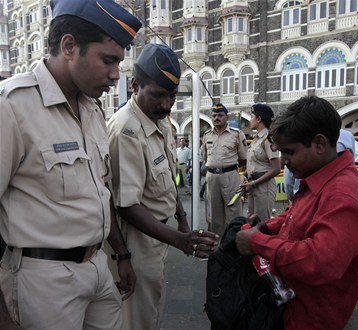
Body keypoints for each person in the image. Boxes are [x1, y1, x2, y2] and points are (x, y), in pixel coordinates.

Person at [0, 1, 142, 329]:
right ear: (69, 46)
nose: (115, 75)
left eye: (119, 63)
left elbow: (100, 193)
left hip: (97, 268)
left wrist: (120, 255)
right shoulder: (13, 107)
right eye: (108, 60)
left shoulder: (92, 109)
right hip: (44, 282)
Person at [236, 96, 358, 330]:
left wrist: (257, 242)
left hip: (312, 318)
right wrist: (268, 227)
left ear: (319, 144)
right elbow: (295, 213)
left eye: (289, 152)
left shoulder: (343, 195)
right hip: (293, 306)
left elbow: (318, 262)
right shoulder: (319, 177)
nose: (284, 161)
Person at [107, 43, 219, 330]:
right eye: (158, 95)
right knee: (137, 319)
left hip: (160, 234)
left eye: (171, 96)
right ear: (135, 85)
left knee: (153, 310)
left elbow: (168, 175)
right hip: (137, 239)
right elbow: (126, 205)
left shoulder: (160, 122)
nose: (167, 105)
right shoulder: (127, 130)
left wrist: (181, 219)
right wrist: (180, 239)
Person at [202, 103, 247, 236]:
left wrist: (241, 175)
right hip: (212, 177)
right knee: (215, 214)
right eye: (214, 115)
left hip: (230, 177)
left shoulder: (236, 134)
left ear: (227, 117)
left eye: (220, 115)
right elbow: (205, 157)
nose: (217, 118)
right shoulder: (207, 135)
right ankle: (218, 247)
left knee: (233, 212)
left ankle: (233, 246)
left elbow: (243, 158)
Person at [283, 129, 355, 202]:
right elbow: (351, 165)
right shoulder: (347, 136)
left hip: (304, 197)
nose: (283, 161)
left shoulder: (299, 134)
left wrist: (294, 199)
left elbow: (288, 182)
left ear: (320, 144)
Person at [240, 104, 281, 221]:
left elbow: (276, 168)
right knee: (252, 221)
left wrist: (254, 183)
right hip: (254, 184)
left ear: (259, 119)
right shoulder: (256, 139)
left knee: (262, 222)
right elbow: (255, 164)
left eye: (252, 116)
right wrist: (244, 174)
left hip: (264, 187)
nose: (250, 119)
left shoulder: (268, 139)